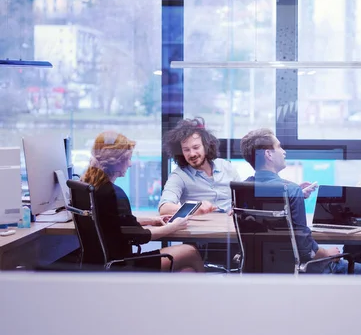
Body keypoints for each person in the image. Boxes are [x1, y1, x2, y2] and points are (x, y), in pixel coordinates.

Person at [240, 128, 361, 275]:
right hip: (302, 269)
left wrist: (297, 196)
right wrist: (327, 253)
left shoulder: (243, 189)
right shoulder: (290, 190)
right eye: (279, 146)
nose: (284, 151)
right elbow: (305, 249)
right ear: (268, 154)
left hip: (263, 269)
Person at [81, 131, 204, 272]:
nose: (130, 164)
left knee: (187, 270)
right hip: (122, 265)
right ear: (115, 162)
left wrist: (152, 220)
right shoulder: (113, 193)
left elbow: (113, 221)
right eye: (128, 159)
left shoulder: (90, 185)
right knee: (190, 252)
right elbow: (140, 236)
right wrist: (174, 226)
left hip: (99, 263)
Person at [159, 117, 241, 216]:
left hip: (231, 226)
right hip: (201, 228)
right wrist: (194, 209)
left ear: (206, 146)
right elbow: (164, 208)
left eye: (196, 147)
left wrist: (239, 209)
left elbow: (244, 199)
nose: (192, 154)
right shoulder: (179, 175)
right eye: (186, 150)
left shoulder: (226, 166)